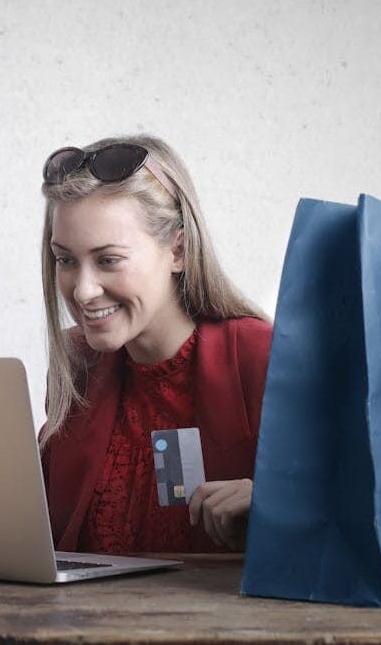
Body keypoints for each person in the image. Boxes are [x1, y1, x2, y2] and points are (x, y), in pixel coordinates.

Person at [37, 135, 272, 553]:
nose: (84, 290)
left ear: (178, 250)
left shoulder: (261, 358)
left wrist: (279, 506)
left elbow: (353, 509)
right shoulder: (77, 367)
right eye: (66, 260)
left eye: (108, 259)